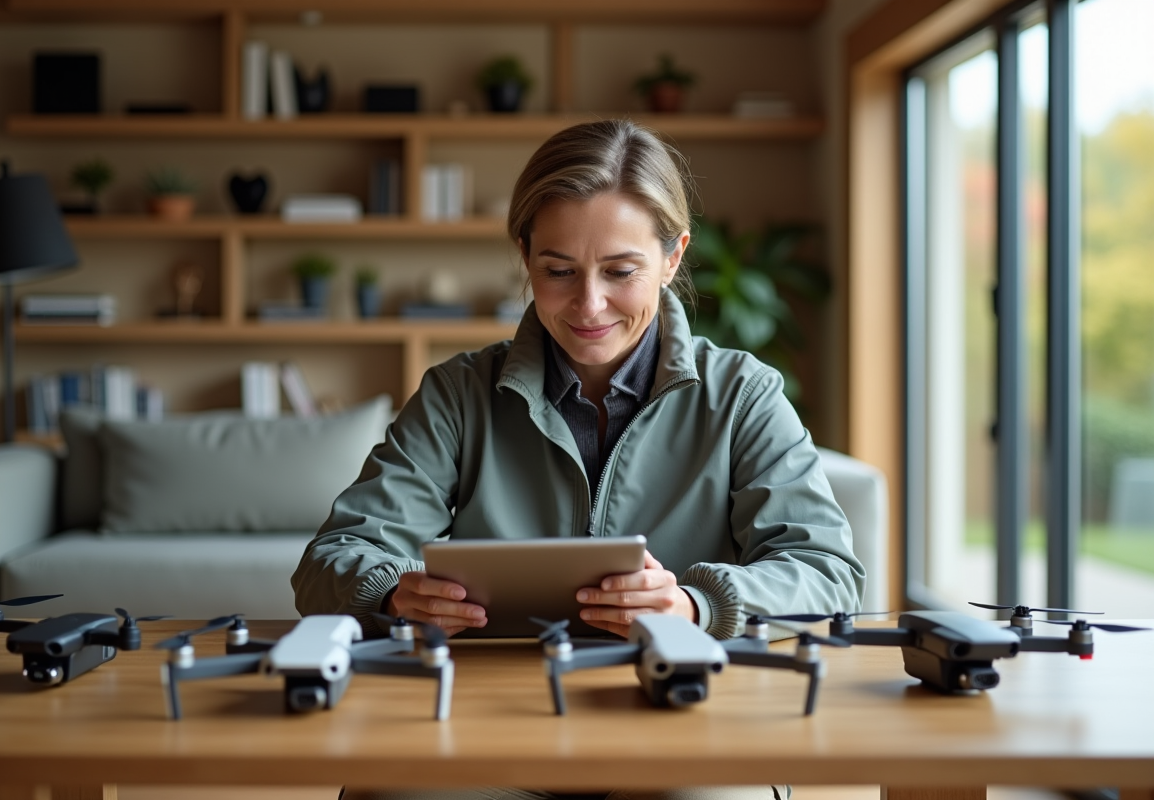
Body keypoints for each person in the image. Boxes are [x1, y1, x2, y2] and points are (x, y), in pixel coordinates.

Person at [294, 119, 864, 800]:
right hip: (485, 726)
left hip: (689, 718)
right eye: (557, 271)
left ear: (673, 257)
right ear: (525, 255)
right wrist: (388, 592)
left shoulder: (744, 395)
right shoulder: (459, 393)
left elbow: (828, 576)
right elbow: (334, 556)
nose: (588, 305)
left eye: (621, 272)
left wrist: (696, 603)